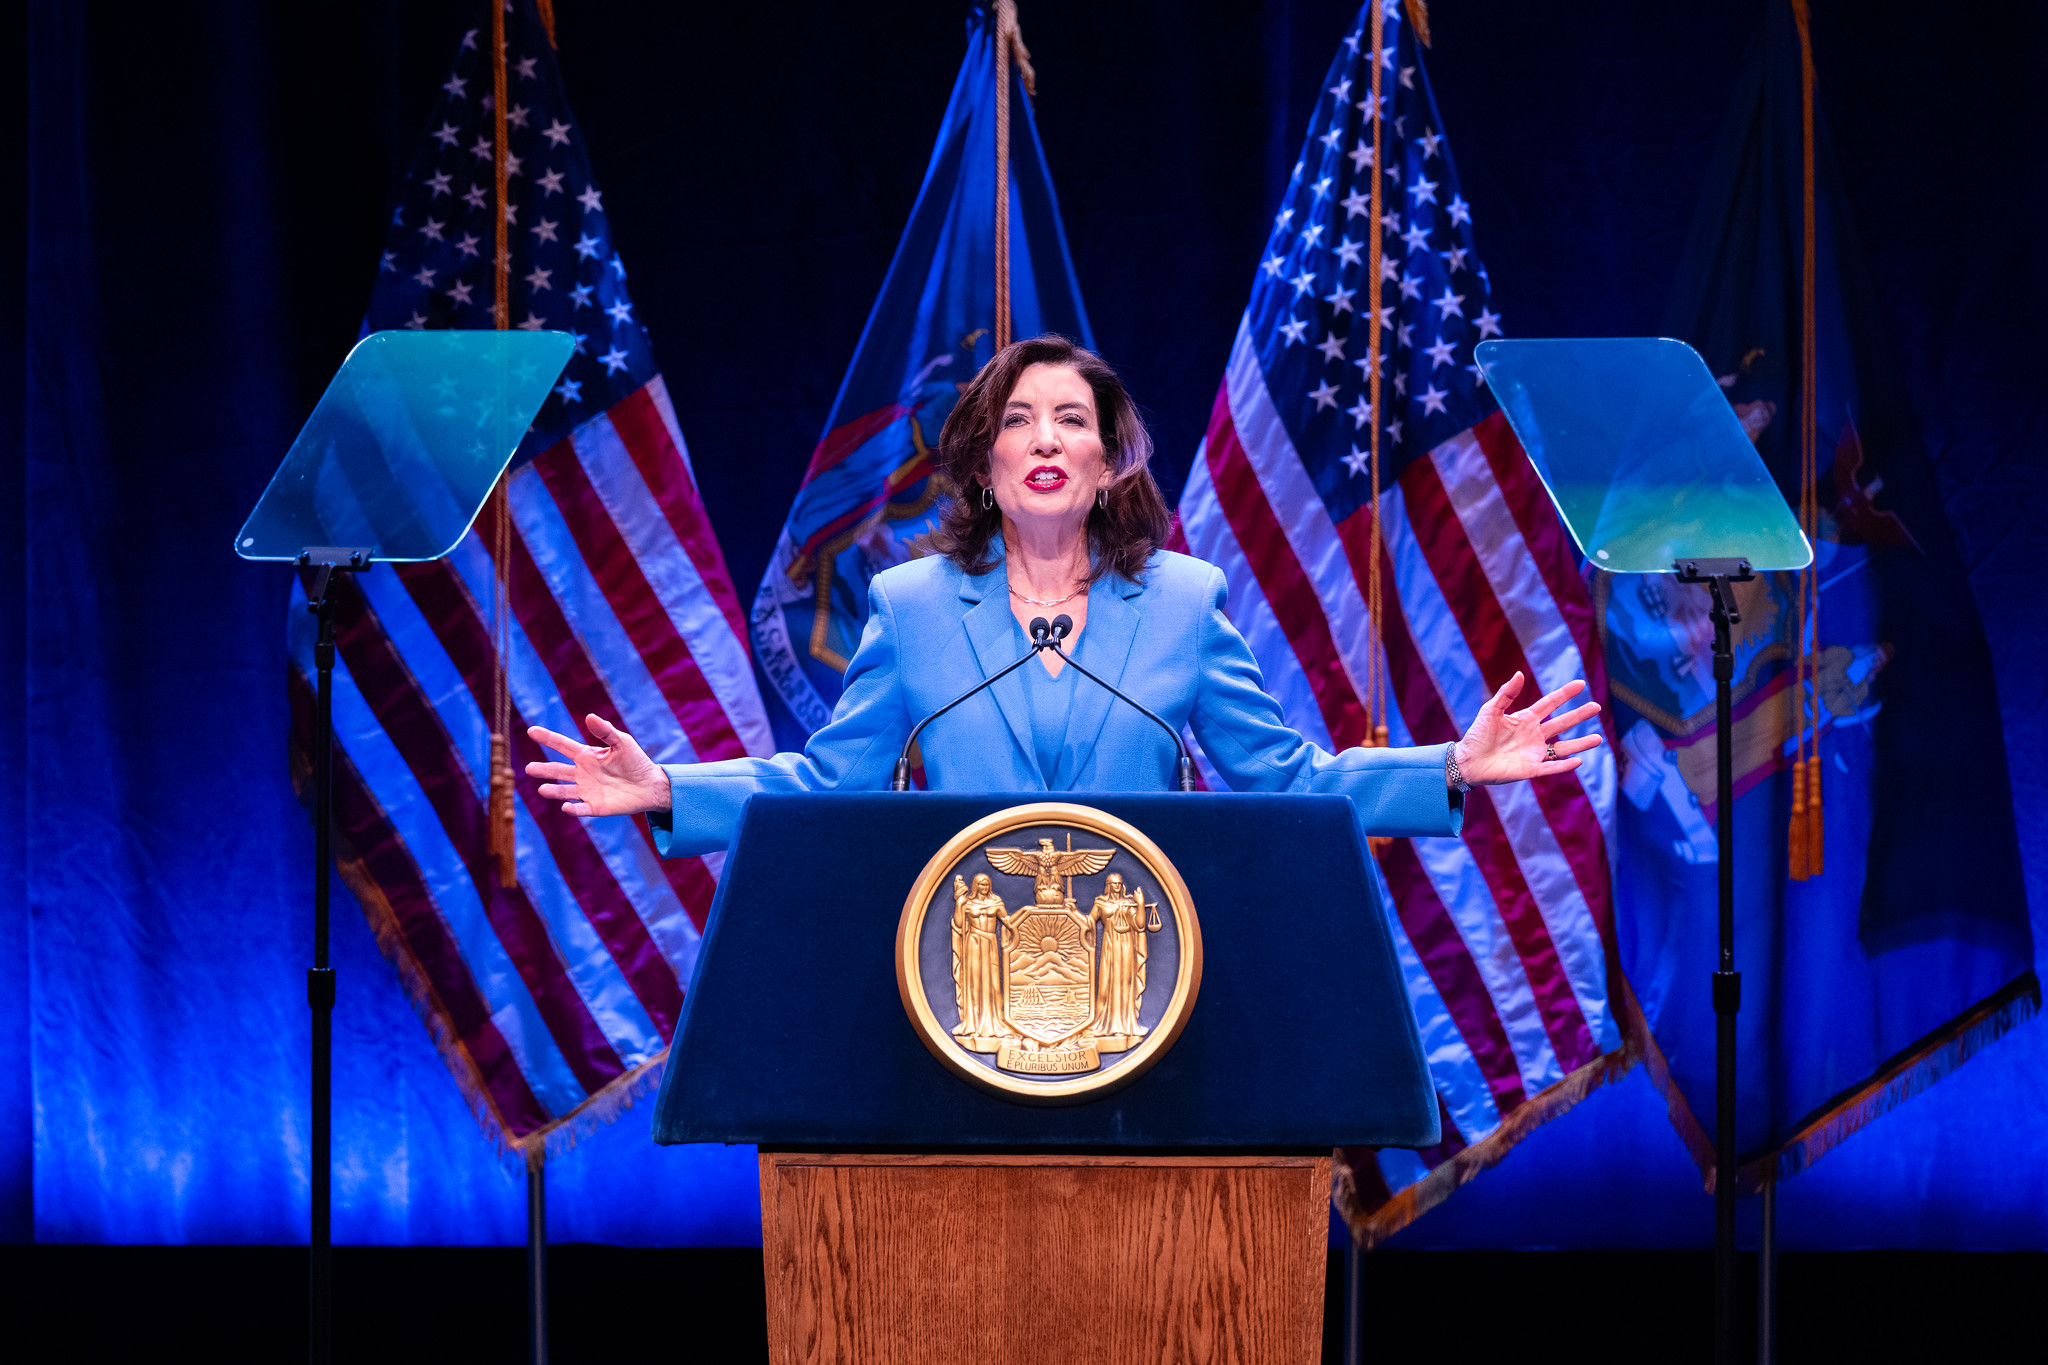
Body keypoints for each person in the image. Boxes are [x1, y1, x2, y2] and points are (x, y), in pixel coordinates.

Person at [525, 335, 1602, 855]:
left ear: (1106, 463)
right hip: (958, 965)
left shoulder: (1183, 599)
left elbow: (1286, 779)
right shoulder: (908, 604)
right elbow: (826, 780)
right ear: (983, 464)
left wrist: (1453, 765)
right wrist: (667, 789)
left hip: (1150, 959)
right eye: (1016, 421)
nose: (1044, 438)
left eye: (1071, 421)